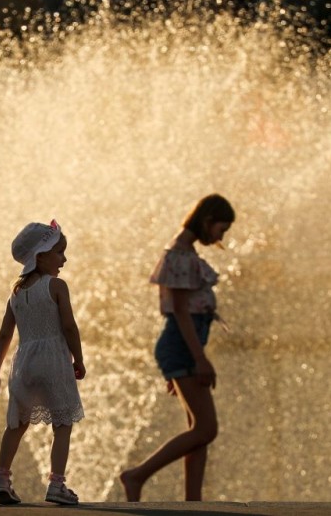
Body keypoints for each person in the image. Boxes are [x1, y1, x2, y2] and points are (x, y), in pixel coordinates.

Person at [119, 194, 235, 502]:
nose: (221, 237)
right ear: (208, 220)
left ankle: (193, 502)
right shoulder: (182, 255)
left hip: (181, 344)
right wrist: (200, 359)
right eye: (221, 229)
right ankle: (137, 475)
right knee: (206, 429)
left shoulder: (183, 251)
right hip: (183, 345)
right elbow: (180, 312)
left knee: (197, 432)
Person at [0, 220, 86, 506]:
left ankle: (2, 478)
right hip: (54, 360)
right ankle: (56, 484)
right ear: (40, 256)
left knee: (17, 423)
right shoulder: (56, 286)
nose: (64, 259)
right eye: (59, 252)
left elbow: (5, 333)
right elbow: (69, 326)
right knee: (62, 422)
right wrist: (78, 358)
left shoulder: (15, 294)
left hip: (25, 363)